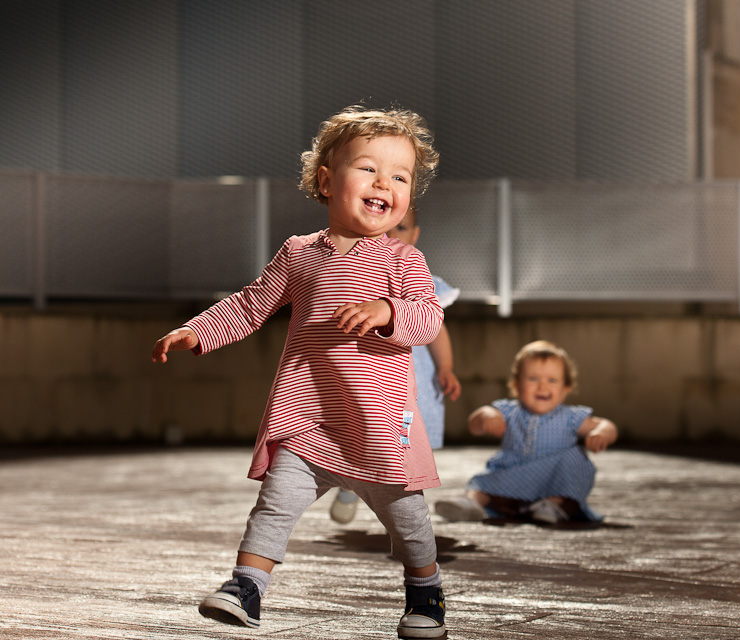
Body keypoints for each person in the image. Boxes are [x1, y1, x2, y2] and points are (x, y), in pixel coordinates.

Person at [151, 105, 448, 639]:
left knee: (409, 521)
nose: (385, 183)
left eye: (399, 177)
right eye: (368, 169)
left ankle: (425, 591)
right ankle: (246, 587)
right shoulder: (298, 253)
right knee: (274, 506)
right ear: (326, 180)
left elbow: (427, 319)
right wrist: (199, 330)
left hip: (378, 427)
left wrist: (388, 313)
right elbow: (249, 305)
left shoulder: (403, 261)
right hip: (307, 419)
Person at [329, 206, 461, 525]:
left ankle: (404, 508)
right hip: (372, 375)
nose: (391, 235)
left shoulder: (423, 279)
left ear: (414, 236)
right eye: (384, 227)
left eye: (401, 228)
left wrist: (446, 367)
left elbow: (437, 329)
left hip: (412, 381)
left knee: (406, 444)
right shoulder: (358, 273)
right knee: (369, 435)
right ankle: (353, 484)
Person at [434, 340, 618, 524]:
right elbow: (474, 424)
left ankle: (551, 505)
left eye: (552, 380)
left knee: (575, 458)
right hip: (513, 477)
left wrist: (601, 432)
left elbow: (604, 424)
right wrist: (487, 417)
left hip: (552, 483)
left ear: (565, 389)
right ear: (516, 385)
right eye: (533, 379)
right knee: (483, 482)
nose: (542, 386)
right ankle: (471, 504)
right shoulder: (508, 411)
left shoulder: (571, 417)